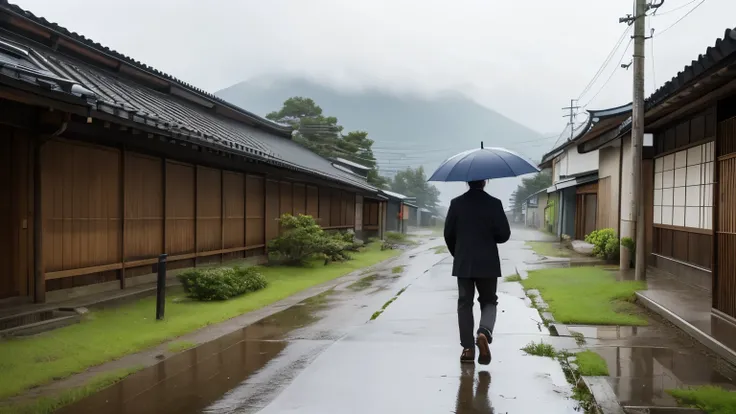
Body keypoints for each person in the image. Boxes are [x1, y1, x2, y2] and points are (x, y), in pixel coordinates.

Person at [443, 179, 510, 365]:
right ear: (485, 182)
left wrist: (458, 253)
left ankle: (467, 349)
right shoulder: (494, 204)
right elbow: (504, 235)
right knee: (489, 300)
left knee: (464, 304)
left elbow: (448, 234)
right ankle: (484, 332)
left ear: (467, 181)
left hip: (464, 263)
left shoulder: (456, 204)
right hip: (488, 263)